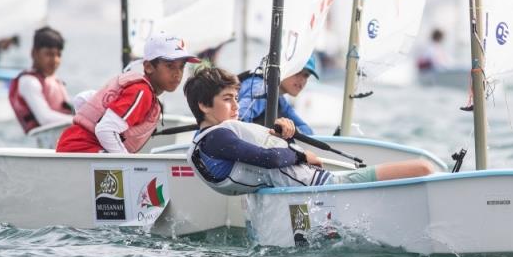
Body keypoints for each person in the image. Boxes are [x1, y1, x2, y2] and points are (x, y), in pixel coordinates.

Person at [183, 67, 433, 196]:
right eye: (228, 99)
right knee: (424, 168)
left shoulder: (204, 142)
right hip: (328, 186)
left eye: (237, 98)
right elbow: (269, 159)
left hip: (309, 186)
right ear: (204, 105)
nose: (236, 105)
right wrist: (303, 156)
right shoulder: (216, 137)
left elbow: (264, 153)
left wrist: (285, 137)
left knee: (422, 170)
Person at [56, 32, 199, 153]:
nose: (177, 74)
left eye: (181, 67)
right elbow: (105, 129)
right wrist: (126, 163)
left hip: (69, 146)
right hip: (81, 151)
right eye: (170, 66)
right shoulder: (142, 92)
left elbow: (82, 99)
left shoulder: (136, 87)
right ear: (148, 66)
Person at [8, 27, 74, 133]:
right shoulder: (29, 82)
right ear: (34, 53)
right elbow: (45, 119)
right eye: (49, 54)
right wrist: (80, 121)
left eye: (58, 54)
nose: (55, 60)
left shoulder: (55, 80)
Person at [238, 53, 319, 134]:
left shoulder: (280, 99)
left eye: (306, 75)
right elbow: (237, 122)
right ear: (283, 68)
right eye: (297, 72)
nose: (302, 80)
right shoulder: (262, 88)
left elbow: (306, 130)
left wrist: (289, 132)